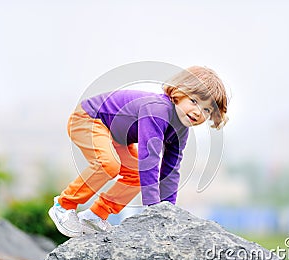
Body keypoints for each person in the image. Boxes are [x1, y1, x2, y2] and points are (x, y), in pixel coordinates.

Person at [49, 66, 229, 237]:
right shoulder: (158, 109)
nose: (198, 112)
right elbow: (148, 159)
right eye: (194, 101)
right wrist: (153, 208)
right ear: (179, 93)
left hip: (117, 136)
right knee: (109, 165)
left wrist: (166, 212)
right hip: (88, 118)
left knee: (135, 174)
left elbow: (171, 171)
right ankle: (64, 206)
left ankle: (96, 215)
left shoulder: (182, 129)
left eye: (207, 110)